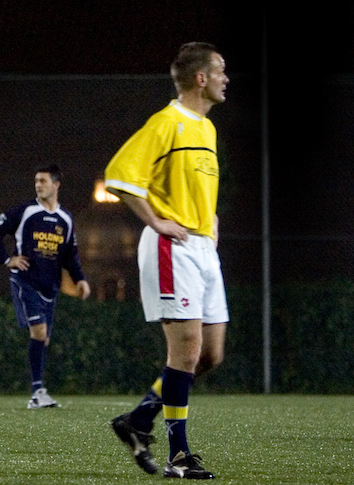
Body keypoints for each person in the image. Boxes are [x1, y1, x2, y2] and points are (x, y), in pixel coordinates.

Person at [104, 42, 229, 480]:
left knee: (209, 356)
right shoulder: (166, 123)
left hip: (202, 248)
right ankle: (179, 455)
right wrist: (156, 222)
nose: (225, 79)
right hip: (170, 248)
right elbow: (119, 175)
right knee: (187, 349)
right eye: (220, 71)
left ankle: (138, 421)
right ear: (201, 79)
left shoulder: (206, 129)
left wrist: (208, 215)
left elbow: (193, 187)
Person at [0, 164, 91, 409]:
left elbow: (70, 255)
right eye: (36, 181)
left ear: (56, 185)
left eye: (43, 181)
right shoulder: (25, 211)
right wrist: (6, 259)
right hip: (25, 281)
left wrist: (80, 279)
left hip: (49, 285)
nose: (38, 185)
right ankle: (37, 392)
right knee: (39, 333)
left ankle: (39, 391)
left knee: (44, 339)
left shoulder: (65, 218)